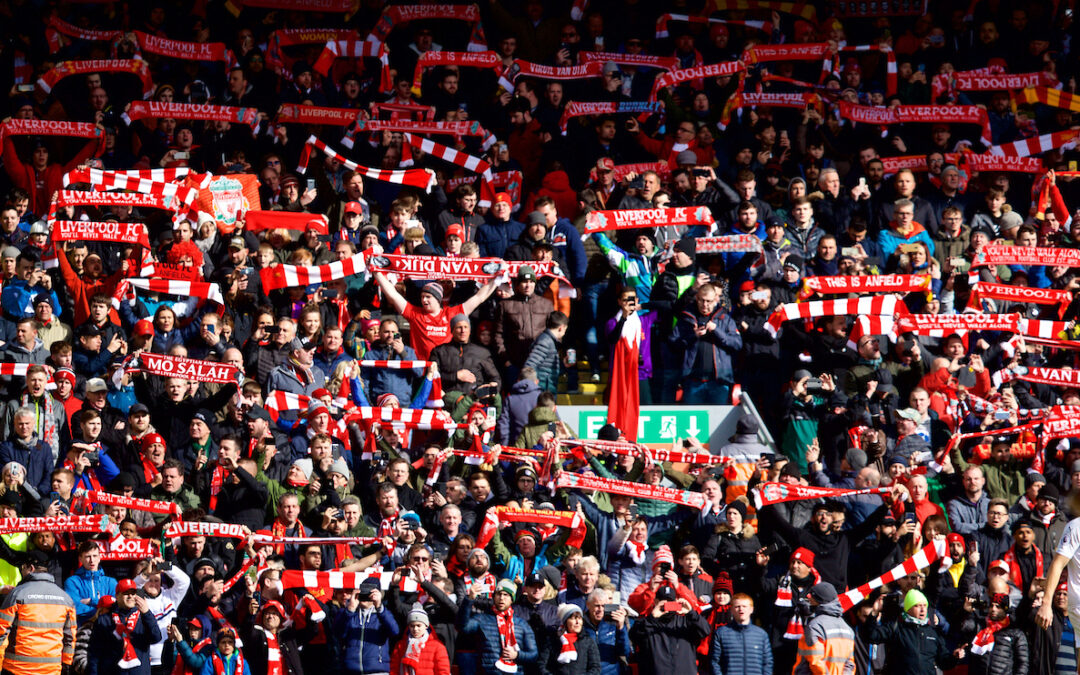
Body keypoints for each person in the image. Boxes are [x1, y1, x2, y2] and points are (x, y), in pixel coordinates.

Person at [0, 549, 76, 674]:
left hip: (17, 669)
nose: (21, 572)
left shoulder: (17, 594)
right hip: (52, 669)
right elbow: (70, 638)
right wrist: (66, 665)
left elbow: (2, 632)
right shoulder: (66, 599)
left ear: (31, 568)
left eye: (22, 568)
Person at [88, 578, 162, 675]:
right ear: (117, 596)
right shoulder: (105, 619)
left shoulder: (143, 616)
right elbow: (94, 652)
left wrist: (147, 613)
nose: (130, 596)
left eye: (133, 593)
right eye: (126, 593)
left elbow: (156, 638)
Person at [709, 593, 772, 675]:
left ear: (751, 609)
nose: (741, 609)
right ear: (731, 609)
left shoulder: (761, 635)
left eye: (744, 606)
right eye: (737, 606)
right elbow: (714, 661)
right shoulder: (721, 633)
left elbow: (767, 663)